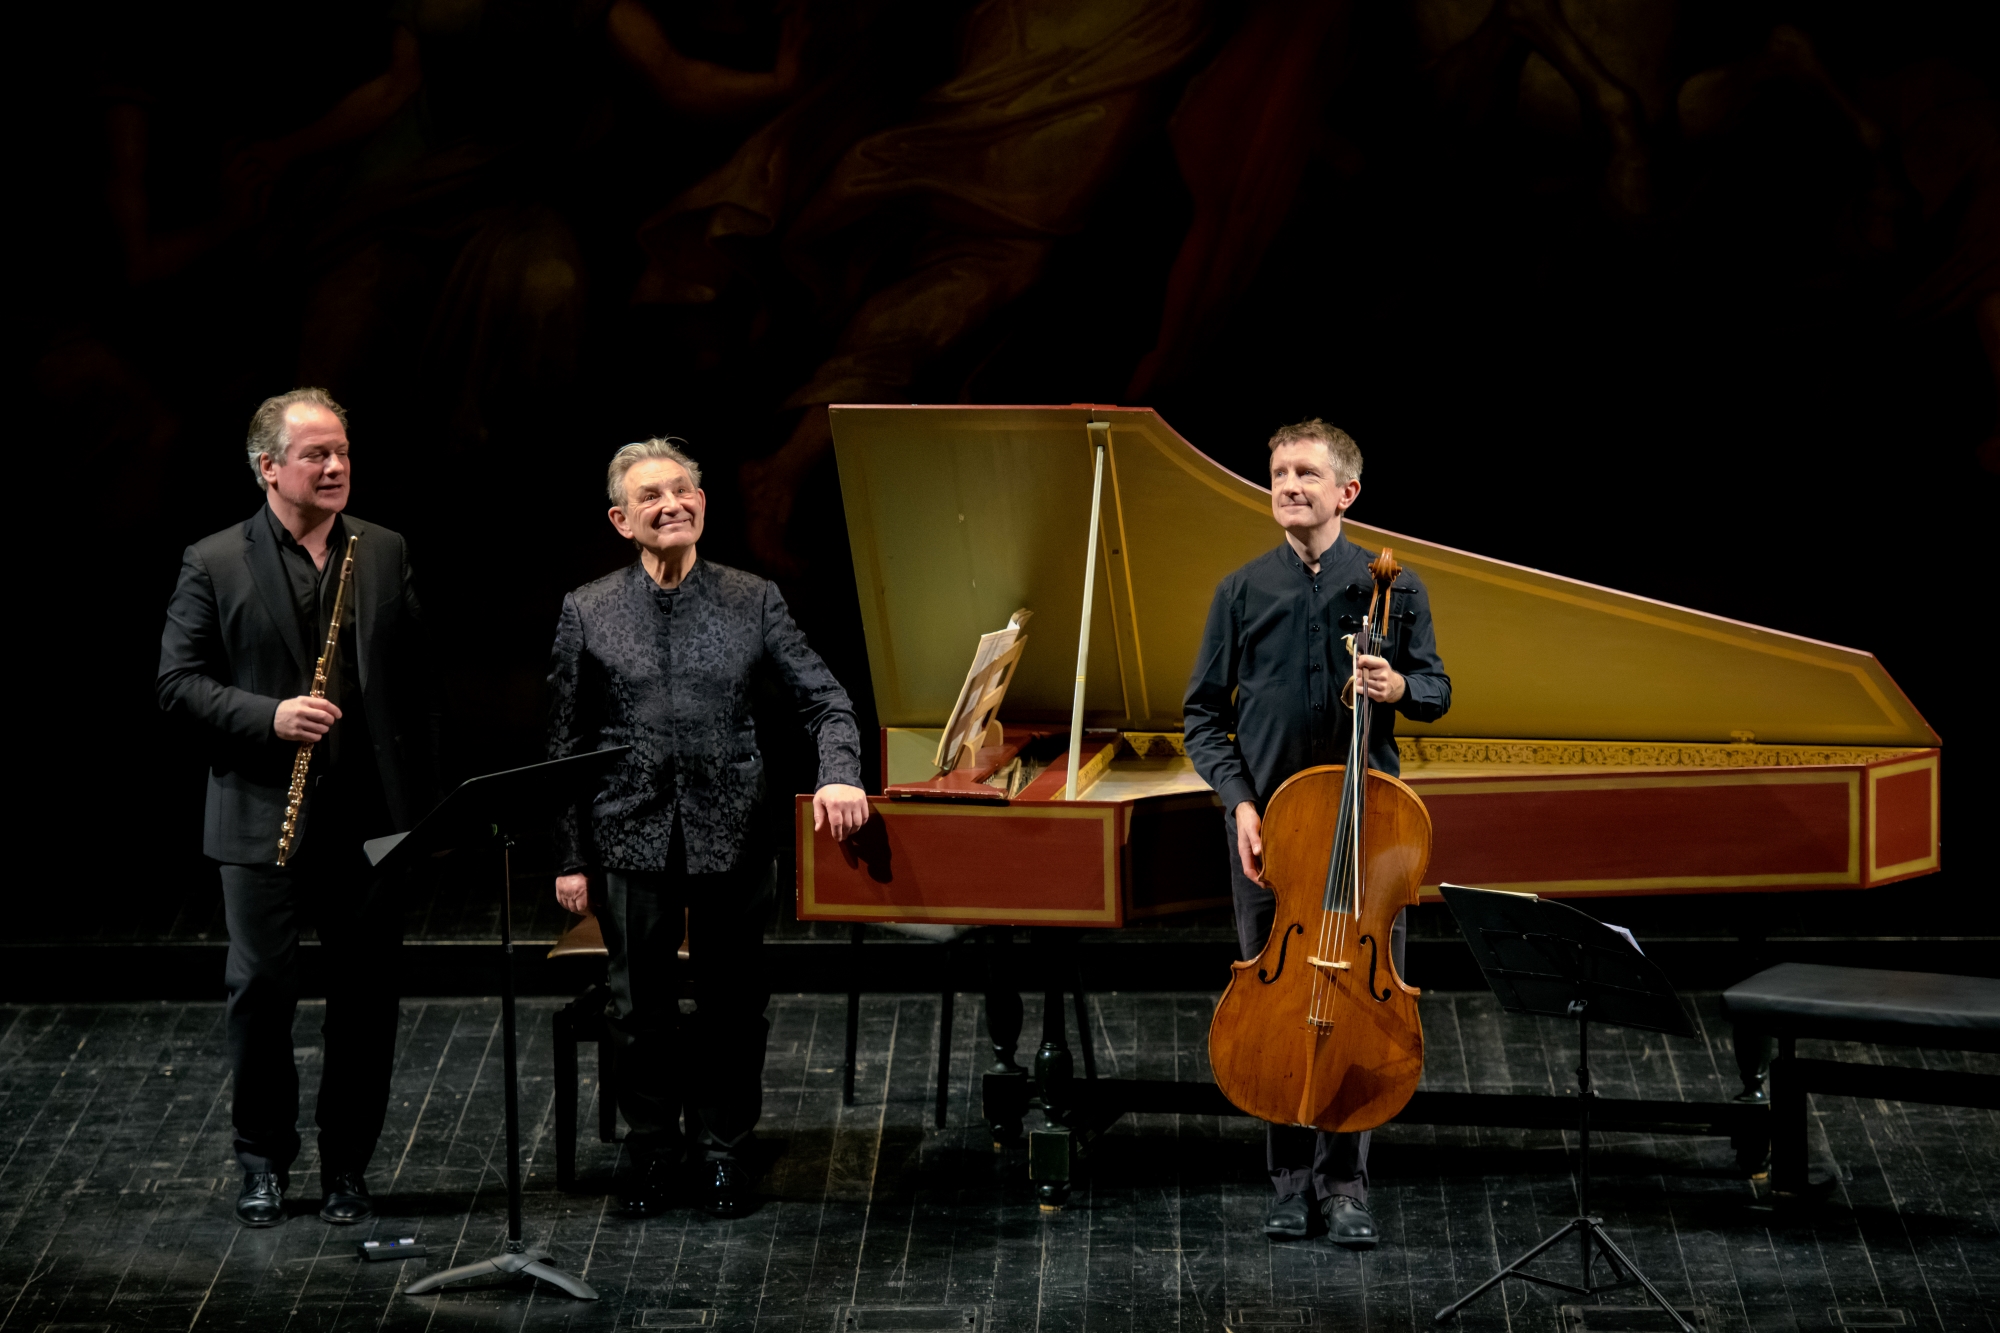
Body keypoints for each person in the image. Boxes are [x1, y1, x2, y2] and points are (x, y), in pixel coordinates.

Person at [547, 437, 868, 1218]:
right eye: (652, 496)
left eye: (684, 490)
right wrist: (569, 855)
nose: (673, 504)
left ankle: (725, 1148)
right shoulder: (588, 608)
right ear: (622, 519)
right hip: (629, 831)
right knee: (636, 1007)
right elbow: (563, 743)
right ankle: (654, 1148)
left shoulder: (751, 597)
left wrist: (839, 771)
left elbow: (826, 699)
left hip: (734, 831)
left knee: (733, 1004)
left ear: (702, 503)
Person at [158, 387, 439, 1229]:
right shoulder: (215, 560)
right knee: (262, 991)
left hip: (366, 823)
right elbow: (176, 684)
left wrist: (419, 813)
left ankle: (349, 1165)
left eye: (343, 451)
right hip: (258, 814)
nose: (335, 465)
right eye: (316, 453)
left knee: (365, 997)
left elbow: (419, 688)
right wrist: (268, 716)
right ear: (268, 467)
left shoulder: (383, 549)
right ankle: (262, 1161)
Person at [1183, 418, 1451, 1249]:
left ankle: (1346, 1184)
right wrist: (1240, 804)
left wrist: (1396, 680)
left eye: (1305, 472)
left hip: (1366, 840)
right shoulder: (1241, 590)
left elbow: (1436, 691)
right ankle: (1288, 1181)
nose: (1288, 484)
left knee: (1355, 1002)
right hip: (1271, 833)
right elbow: (1202, 717)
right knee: (1280, 1000)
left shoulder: (1391, 588)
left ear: (1347, 492)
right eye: (1278, 472)